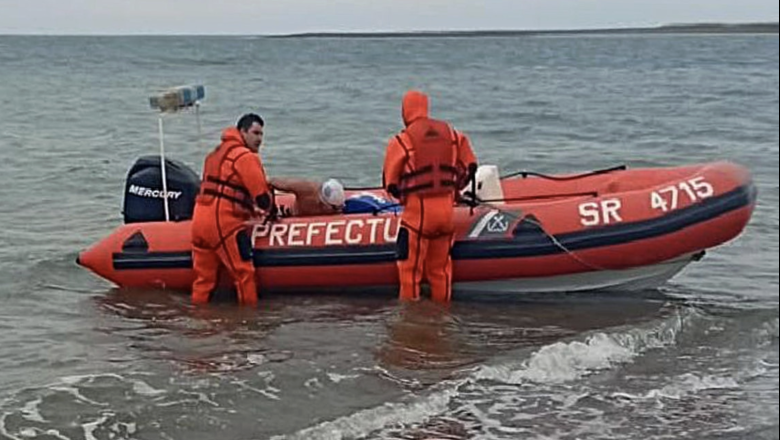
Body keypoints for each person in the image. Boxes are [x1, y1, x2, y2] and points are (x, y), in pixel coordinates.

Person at [383, 90, 478, 303]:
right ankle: (441, 316)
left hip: (418, 215)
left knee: (409, 271)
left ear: (405, 111)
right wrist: (456, 190)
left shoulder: (402, 140)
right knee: (441, 270)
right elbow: (470, 166)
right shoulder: (453, 134)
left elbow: (390, 183)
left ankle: (411, 322)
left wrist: (403, 196)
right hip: (447, 213)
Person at [190, 113, 274, 306]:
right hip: (223, 223)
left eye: (261, 134)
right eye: (255, 133)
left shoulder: (214, 154)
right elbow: (262, 197)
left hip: (200, 220)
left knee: (204, 280)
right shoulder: (245, 157)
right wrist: (268, 210)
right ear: (242, 132)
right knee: (244, 274)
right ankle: (248, 324)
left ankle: (200, 323)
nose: (259, 139)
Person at [268, 177, 346, 216]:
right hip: (290, 214)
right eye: (334, 208)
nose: (337, 211)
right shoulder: (306, 189)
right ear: (322, 202)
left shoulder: (335, 207)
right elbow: (273, 182)